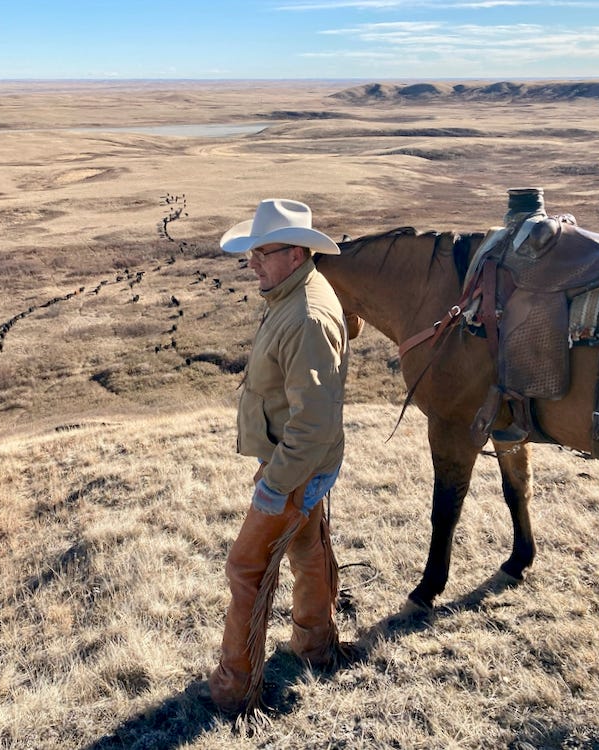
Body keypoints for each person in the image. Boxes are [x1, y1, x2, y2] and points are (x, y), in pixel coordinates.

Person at [209, 198, 355, 716]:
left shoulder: (307, 316)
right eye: (250, 252)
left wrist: (274, 485)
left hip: (293, 468)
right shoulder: (293, 293)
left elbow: (313, 423)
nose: (252, 263)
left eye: (262, 253)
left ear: (296, 254)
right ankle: (316, 648)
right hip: (297, 464)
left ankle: (233, 689)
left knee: (246, 567)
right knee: (308, 549)